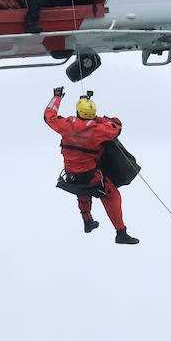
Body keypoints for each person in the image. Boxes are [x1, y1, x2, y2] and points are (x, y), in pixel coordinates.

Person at [44, 86, 139, 244]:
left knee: (83, 189)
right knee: (111, 195)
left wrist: (57, 97)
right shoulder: (98, 129)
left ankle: (87, 221)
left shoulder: (66, 125)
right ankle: (120, 232)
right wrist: (98, 119)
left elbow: (49, 116)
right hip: (90, 175)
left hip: (71, 175)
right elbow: (116, 126)